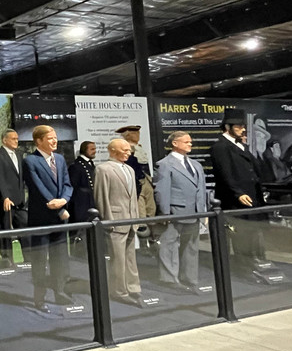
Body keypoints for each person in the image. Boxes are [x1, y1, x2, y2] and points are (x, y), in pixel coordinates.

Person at [209, 108, 267, 271]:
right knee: (241, 234)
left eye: (243, 126)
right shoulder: (220, 147)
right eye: (238, 126)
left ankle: (255, 263)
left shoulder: (241, 145)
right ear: (228, 127)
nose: (242, 129)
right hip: (235, 199)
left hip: (252, 196)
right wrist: (238, 192)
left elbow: (255, 168)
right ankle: (244, 267)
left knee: (253, 233)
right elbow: (225, 173)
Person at [23, 125, 74, 308]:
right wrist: (59, 209)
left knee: (60, 258)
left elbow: (67, 184)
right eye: (50, 138)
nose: (55, 141)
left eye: (55, 137)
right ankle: (40, 297)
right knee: (39, 260)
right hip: (41, 219)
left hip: (59, 220)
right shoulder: (30, 161)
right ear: (39, 141)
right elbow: (38, 190)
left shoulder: (59, 159)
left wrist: (64, 200)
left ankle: (60, 292)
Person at [154, 131, 208, 291]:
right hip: (175, 211)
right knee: (169, 244)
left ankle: (190, 278)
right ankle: (169, 279)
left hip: (194, 212)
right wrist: (165, 213)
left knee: (191, 246)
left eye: (190, 141)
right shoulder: (165, 164)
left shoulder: (196, 165)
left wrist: (203, 211)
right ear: (175, 143)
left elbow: (201, 189)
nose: (190, 144)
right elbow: (162, 190)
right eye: (186, 142)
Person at [94, 139, 143, 306]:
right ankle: (119, 291)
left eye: (129, 150)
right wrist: (108, 221)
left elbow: (133, 197)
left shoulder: (130, 169)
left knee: (130, 258)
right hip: (115, 221)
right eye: (125, 150)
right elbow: (101, 197)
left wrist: (136, 217)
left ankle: (133, 287)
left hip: (131, 220)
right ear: (113, 151)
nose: (129, 153)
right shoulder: (103, 169)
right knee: (118, 259)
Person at [0, 129, 26, 268]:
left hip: (20, 200)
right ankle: (7, 261)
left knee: (24, 226)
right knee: (6, 230)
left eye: (17, 138)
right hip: (6, 201)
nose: (16, 141)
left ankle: (28, 259)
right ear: (4, 140)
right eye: (13, 139)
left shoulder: (19, 154)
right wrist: (5, 197)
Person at [67, 141, 97, 224]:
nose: (94, 151)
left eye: (95, 149)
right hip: (81, 204)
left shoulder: (90, 164)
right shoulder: (76, 166)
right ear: (84, 150)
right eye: (92, 149)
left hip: (90, 201)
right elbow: (73, 186)